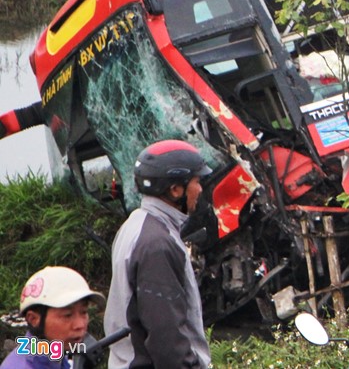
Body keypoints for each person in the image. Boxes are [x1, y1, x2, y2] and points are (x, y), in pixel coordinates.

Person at [104, 140, 212, 369]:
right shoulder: (157, 244)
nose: (200, 189)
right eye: (197, 181)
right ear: (176, 189)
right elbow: (167, 338)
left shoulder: (136, 224)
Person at [1, 266, 105, 369]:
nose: (80, 325)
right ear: (33, 319)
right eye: (67, 315)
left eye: (84, 312)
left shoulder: (59, 358)